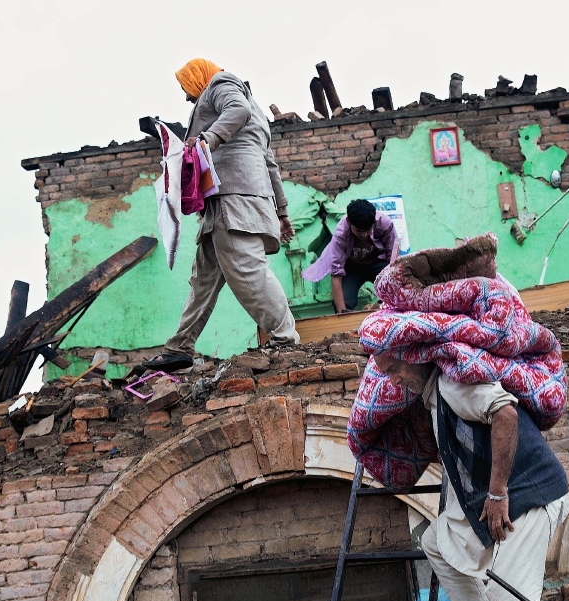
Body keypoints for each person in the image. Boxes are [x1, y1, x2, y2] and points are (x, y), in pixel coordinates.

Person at [374, 351, 569, 601]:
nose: (394, 380)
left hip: (531, 496)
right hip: (501, 499)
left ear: (415, 358)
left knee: (510, 597)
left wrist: (497, 493)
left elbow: (506, 414)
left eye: (395, 369)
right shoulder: (435, 393)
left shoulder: (454, 383)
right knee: (435, 541)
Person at [144, 58, 299, 373]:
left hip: (234, 198)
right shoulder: (257, 115)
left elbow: (236, 111)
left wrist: (206, 140)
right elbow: (270, 164)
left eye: (188, 89)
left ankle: (286, 340)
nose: (189, 97)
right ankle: (179, 348)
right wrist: (281, 212)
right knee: (202, 280)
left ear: (198, 77)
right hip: (228, 202)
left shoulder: (220, 83)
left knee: (248, 270)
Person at [303, 199, 399, 314]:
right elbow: (336, 274)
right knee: (345, 303)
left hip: (378, 264)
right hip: (352, 269)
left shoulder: (385, 223)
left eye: (367, 230)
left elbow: (392, 261)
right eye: (359, 231)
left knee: (396, 294)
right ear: (348, 222)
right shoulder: (340, 234)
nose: (364, 235)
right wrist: (342, 313)